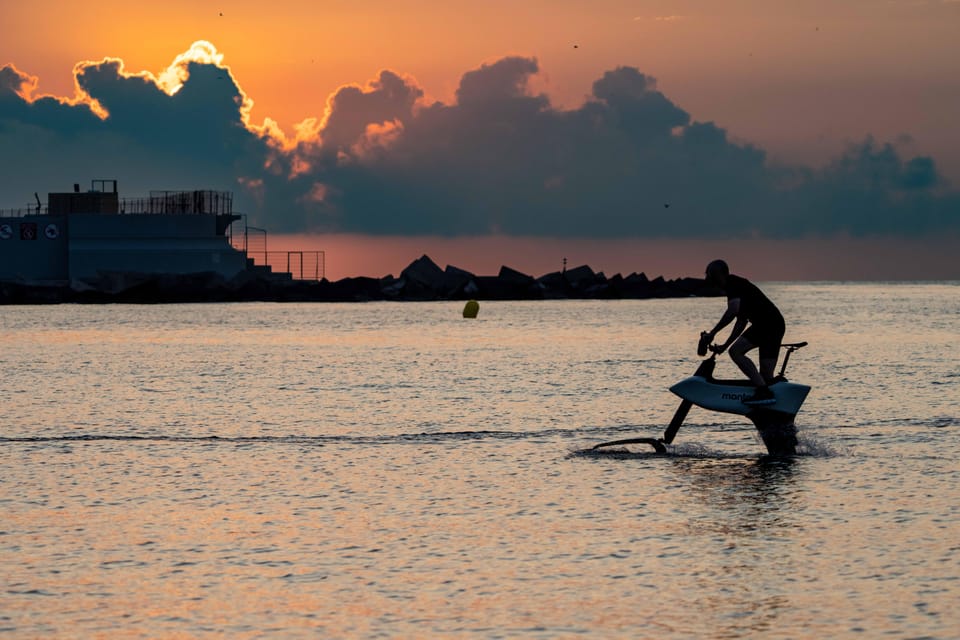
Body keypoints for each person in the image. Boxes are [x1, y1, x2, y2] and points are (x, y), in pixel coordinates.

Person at [701, 259, 785, 405]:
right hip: (775, 324)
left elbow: (732, 311)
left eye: (709, 275)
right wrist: (724, 345)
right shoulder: (736, 287)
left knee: (736, 352)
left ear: (718, 274)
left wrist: (713, 333)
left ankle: (763, 391)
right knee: (765, 375)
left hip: (767, 324)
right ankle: (768, 402)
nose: (708, 279)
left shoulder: (733, 285)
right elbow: (740, 322)